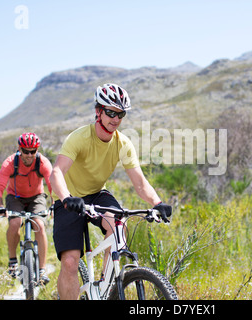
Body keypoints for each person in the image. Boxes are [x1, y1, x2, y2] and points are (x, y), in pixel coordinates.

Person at [50, 83, 172, 300]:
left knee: (118, 224)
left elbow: (140, 183)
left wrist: (157, 203)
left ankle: (106, 287)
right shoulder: (79, 138)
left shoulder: (122, 143)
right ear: (98, 111)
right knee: (70, 262)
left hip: (97, 194)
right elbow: (56, 173)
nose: (115, 119)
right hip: (68, 197)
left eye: (120, 114)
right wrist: (67, 198)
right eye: (110, 112)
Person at [0, 132, 53, 284]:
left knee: (39, 225)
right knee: (14, 223)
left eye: (33, 151)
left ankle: (42, 270)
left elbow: (53, 186)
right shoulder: (10, 162)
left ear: (37, 151)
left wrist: (55, 204)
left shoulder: (43, 163)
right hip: (15, 197)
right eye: (25, 151)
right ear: (19, 149)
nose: (29, 155)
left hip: (36, 197)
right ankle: (12, 262)